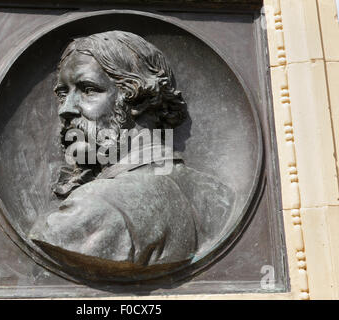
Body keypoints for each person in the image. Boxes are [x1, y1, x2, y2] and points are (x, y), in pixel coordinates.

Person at [29, 31, 234, 277]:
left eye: (88, 90)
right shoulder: (221, 196)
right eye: (63, 94)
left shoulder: (92, 208)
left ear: (138, 99)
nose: (66, 110)